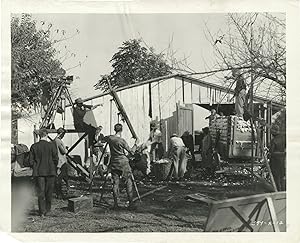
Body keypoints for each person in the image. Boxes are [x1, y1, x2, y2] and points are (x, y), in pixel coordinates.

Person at [104, 123, 139, 210]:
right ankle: (131, 204)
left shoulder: (110, 138)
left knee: (115, 183)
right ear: (121, 130)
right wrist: (136, 144)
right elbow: (131, 152)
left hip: (114, 162)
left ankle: (116, 204)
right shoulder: (121, 141)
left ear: (114, 129)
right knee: (128, 182)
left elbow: (103, 138)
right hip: (123, 163)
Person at [29, 128, 58, 217]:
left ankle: (42, 212)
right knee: (49, 192)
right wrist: (53, 167)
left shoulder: (34, 146)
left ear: (39, 135)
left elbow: (30, 161)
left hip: (39, 172)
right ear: (47, 135)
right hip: (50, 171)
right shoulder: (52, 145)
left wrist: (35, 166)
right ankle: (47, 210)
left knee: (41, 192)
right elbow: (56, 159)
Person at [269, 125, 286, 191]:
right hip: (282, 160)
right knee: (282, 177)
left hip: (275, 161)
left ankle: (277, 191)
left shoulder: (274, 141)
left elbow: (271, 152)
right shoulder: (283, 139)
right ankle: (283, 191)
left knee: (276, 178)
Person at [54, 127, 69, 199]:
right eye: (63, 134)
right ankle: (59, 193)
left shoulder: (55, 140)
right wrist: (66, 149)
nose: (63, 136)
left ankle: (61, 192)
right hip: (61, 161)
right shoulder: (58, 141)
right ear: (61, 133)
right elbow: (63, 151)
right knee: (60, 177)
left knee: (61, 177)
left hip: (59, 161)